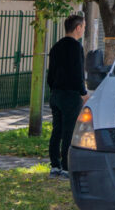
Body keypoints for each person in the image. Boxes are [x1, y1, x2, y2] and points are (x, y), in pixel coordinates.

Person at [47, 13, 88, 179]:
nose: (84, 30)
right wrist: (83, 93)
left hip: (55, 94)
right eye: (84, 27)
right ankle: (66, 168)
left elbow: (50, 75)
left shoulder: (56, 47)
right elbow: (78, 73)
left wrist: (54, 89)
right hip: (71, 95)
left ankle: (54, 165)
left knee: (56, 130)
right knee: (69, 131)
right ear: (78, 28)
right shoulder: (76, 47)